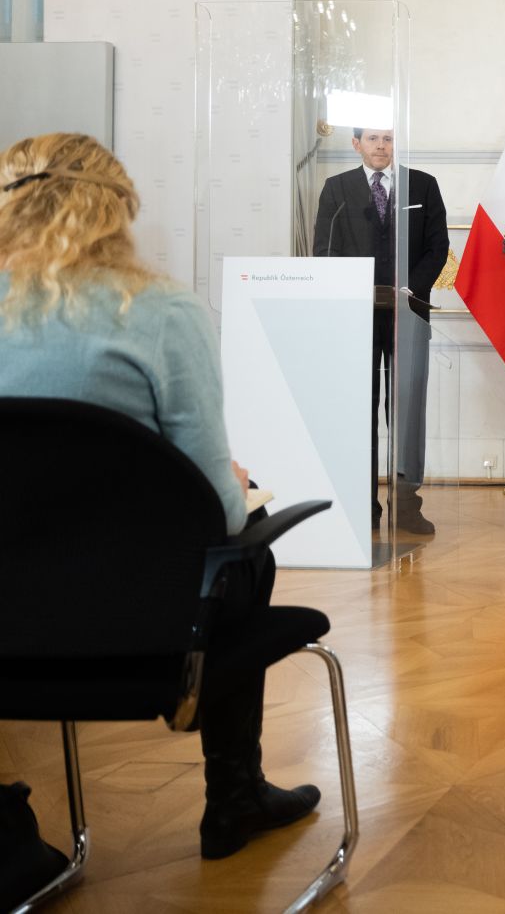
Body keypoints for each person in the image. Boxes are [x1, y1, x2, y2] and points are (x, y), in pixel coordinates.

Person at [0, 132, 321, 860]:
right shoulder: (162, 313)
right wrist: (236, 486)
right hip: (142, 623)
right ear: (116, 213)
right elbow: (219, 511)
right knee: (250, 541)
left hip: (6, 623)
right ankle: (233, 795)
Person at [312, 126, 449, 535]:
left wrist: (411, 288)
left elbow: (437, 247)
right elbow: (325, 250)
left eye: (388, 139)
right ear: (356, 144)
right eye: (372, 139)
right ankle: (362, 504)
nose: (381, 147)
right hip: (356, 314)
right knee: (360, 408)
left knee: (406, 408)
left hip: (409, 310)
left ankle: (406, 505)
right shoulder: (336, 189)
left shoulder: (423, 185)